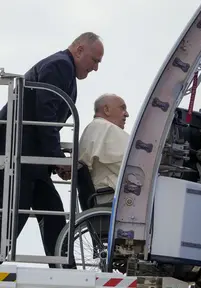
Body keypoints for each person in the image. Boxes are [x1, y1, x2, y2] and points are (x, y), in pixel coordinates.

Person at [0, 32, 104, 267]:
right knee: (18, 214)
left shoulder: (63, 69)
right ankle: (63, 269)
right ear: (79, 50)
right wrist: (57, 159)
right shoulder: (60, 66)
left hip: (30, 158)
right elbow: (44, 116)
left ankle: (64, 271)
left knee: (52, 213)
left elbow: (45, 120)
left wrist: (57, 159)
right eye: (94, 60)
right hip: (19, 154)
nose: (95, 68)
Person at [79, 93, 130, 204]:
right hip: (113, 199)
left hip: (104, 196)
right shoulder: (105, 128)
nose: (127, 114)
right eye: (122, 108)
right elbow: (133, 167)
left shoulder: (95, 128)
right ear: (106, 109)